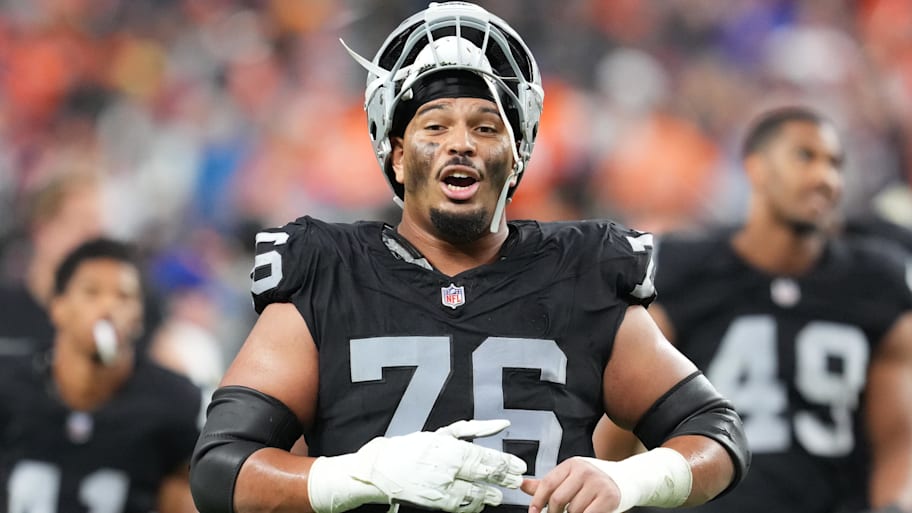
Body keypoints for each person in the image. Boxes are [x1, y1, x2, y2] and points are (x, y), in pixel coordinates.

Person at [189, 3, 750, 513]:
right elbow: (221, 468)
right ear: (398, 156)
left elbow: (715, 432)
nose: (461, 143)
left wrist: (629, 479)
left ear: (518, 153)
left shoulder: (581, 273)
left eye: (486, 127)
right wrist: (359, 476)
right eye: (435, 126)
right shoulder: (330, 272)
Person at [594, 106, 912, 513]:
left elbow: (898, 438)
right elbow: (622, 417)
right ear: (756, 168)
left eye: (835, 163)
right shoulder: (688, 270)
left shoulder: (874, 281)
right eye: (805, 156)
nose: (825, 177)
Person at [0, 237, 202, 513]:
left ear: (139, 317)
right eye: (91, 292)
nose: (107, 308)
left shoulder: (172, 402)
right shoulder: (9, 383)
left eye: (123, 296)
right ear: (58, 307)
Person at [0, 172, 105, 356]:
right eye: (79, 222)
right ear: (42, 230)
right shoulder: (5, 308)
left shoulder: (104, 322)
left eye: (96, 225)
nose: (91, 238)